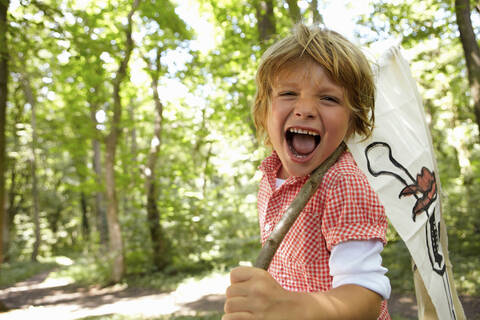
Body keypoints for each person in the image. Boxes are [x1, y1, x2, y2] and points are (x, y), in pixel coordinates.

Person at [223, 23, 391, 320]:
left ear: (352, 123)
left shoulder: (345, 182)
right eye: (288, 93)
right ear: (263, 110)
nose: (305, 109)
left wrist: (286, 307)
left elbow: (366, 296)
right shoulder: (270, 176)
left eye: (328, 98)